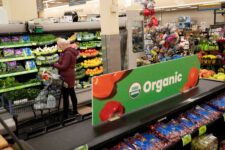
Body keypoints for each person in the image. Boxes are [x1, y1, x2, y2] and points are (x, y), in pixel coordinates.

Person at [54, 39, 79, 119]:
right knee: (72, 93)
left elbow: (64, 67)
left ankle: (65, 115)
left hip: (66, 76)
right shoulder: (70, 52)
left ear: (64, 45)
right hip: (70, 75)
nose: (59, 47)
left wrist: (54, 65)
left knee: (66, 95)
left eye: (60, 46)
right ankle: (75, 110)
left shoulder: (67, 53)